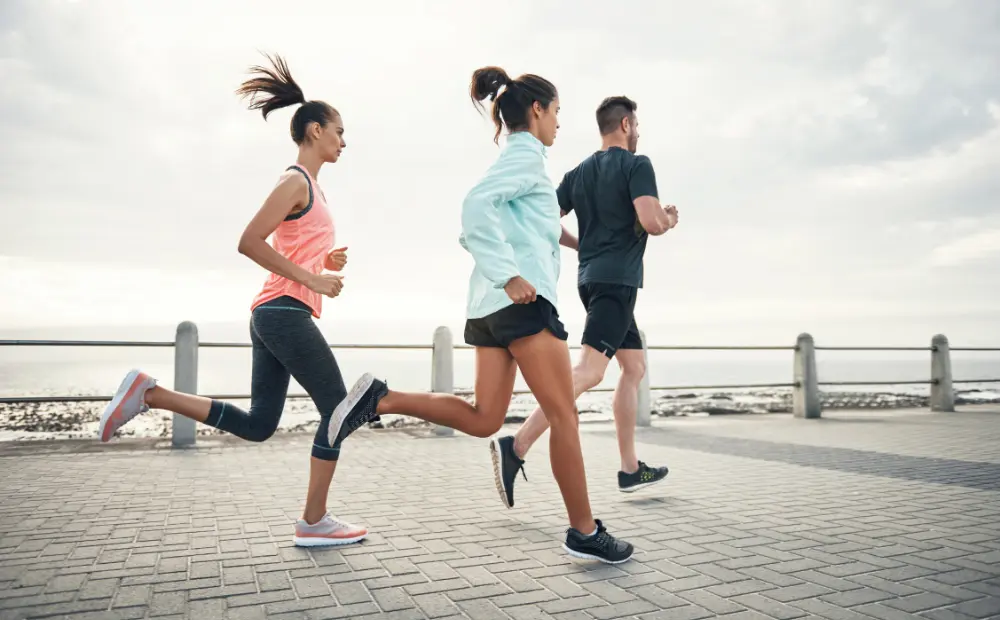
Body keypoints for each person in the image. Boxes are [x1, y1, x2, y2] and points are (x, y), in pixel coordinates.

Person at [326, 67, 635, 564]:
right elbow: (473, 209)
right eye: (557, 112)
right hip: (522, 306)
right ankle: (583, 531)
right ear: (537, 111)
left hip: (489, 309)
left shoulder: (516, 162)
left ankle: (381, 399)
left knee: (484, 418)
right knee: (564, 416)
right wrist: (510, 275)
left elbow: (511, 224)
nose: (558, 124)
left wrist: (557, 251)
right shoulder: (527, 159)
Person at [97, 54, 369, 548]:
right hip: (282, 312)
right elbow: (249, 241)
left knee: (261, 424)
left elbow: (288, 243)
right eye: (338, 131)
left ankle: (149, 393)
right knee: (337, 406)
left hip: (276, 313)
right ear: (313, 131)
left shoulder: (314, 189)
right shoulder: (293, 181)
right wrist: (313, 276)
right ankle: (314, 521)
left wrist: (325, 261)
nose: (344, 141)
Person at [489, 96, 679, 509]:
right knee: (590, 371)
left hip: (593, 279)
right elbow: (651, 222)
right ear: (626, 124)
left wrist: (584, 245)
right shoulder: (637, 164)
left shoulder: (577, 173)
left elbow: (545, 220)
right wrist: (667, 217)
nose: (638, 133)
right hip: (616, 283)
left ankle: (630, 468)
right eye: (637, 125)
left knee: (634, 366)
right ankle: (516, 445)